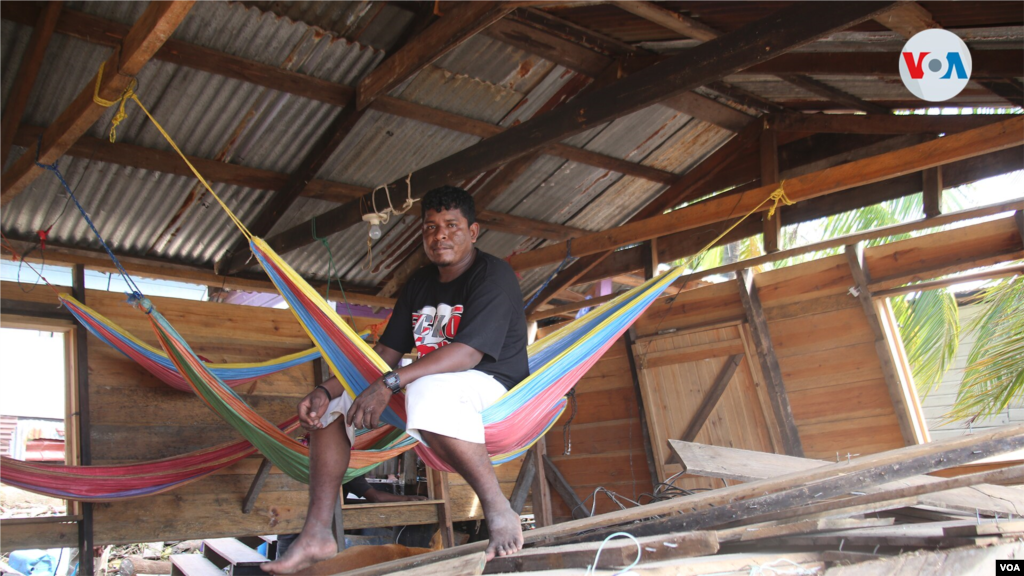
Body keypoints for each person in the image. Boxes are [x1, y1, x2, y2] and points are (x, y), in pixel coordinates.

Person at [261, 186, 530, 573]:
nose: (440, 236)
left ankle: (497, 509)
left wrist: (389, 384)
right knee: (332, 412)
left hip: (494, 386)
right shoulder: (419, 284)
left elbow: (469, 353)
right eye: (431, 227)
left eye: (451, 226)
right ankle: (318, 531)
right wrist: (325, 390)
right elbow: (384, 354)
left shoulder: (493, 275)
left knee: (422, 386)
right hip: (434, 389)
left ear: (472, 232)